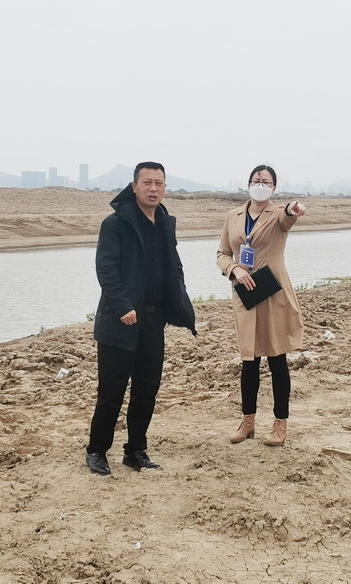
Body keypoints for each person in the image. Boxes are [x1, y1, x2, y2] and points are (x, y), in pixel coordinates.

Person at [86, 162, 196, 475]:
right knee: (111, 392)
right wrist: (122, 306)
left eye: (159, 183)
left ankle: (135, 450)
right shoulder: (115, 224)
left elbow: (173, 266)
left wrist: (178, 301)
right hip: (119, 321)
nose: (153, 188)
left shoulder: (164, 222)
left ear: (165, 187)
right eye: (147, 182)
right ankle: (96, 451)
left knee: (147, 390)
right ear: (134, 186)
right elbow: (106, 269)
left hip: (152, 320)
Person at [216, 165, 306, 447]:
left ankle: (280, 423)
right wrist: (234, 269)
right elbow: (222, 253)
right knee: (249, 360)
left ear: (274, 188)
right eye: (256, 180)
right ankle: (248, 421)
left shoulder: (277, 214)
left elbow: (288, 217)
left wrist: (292, 208)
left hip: (273, 293)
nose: (260, 184)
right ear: (248, 184)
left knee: (277, 359)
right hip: (246, 294)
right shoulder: (233, 216)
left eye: (266, 182)